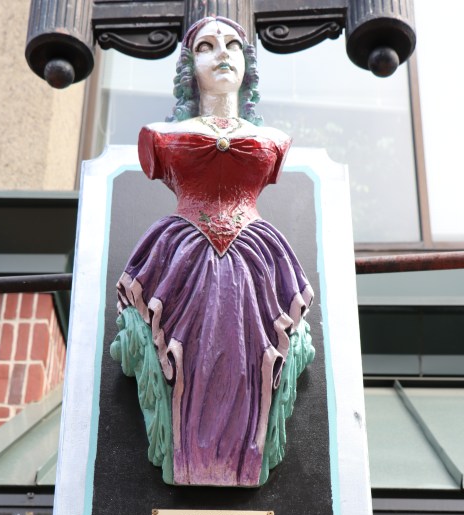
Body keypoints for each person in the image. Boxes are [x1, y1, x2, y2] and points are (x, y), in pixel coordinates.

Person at [111, 16, 315, 487]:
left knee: (252, 360)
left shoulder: (273, 140)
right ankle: (191, 460)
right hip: (183, 252)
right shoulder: (159, 136)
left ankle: (240, 463)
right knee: (187, 359)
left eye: (233, 45)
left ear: (247, 63)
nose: (222, 53)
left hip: (255, 256)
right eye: (206, 46)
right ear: (190, 65)